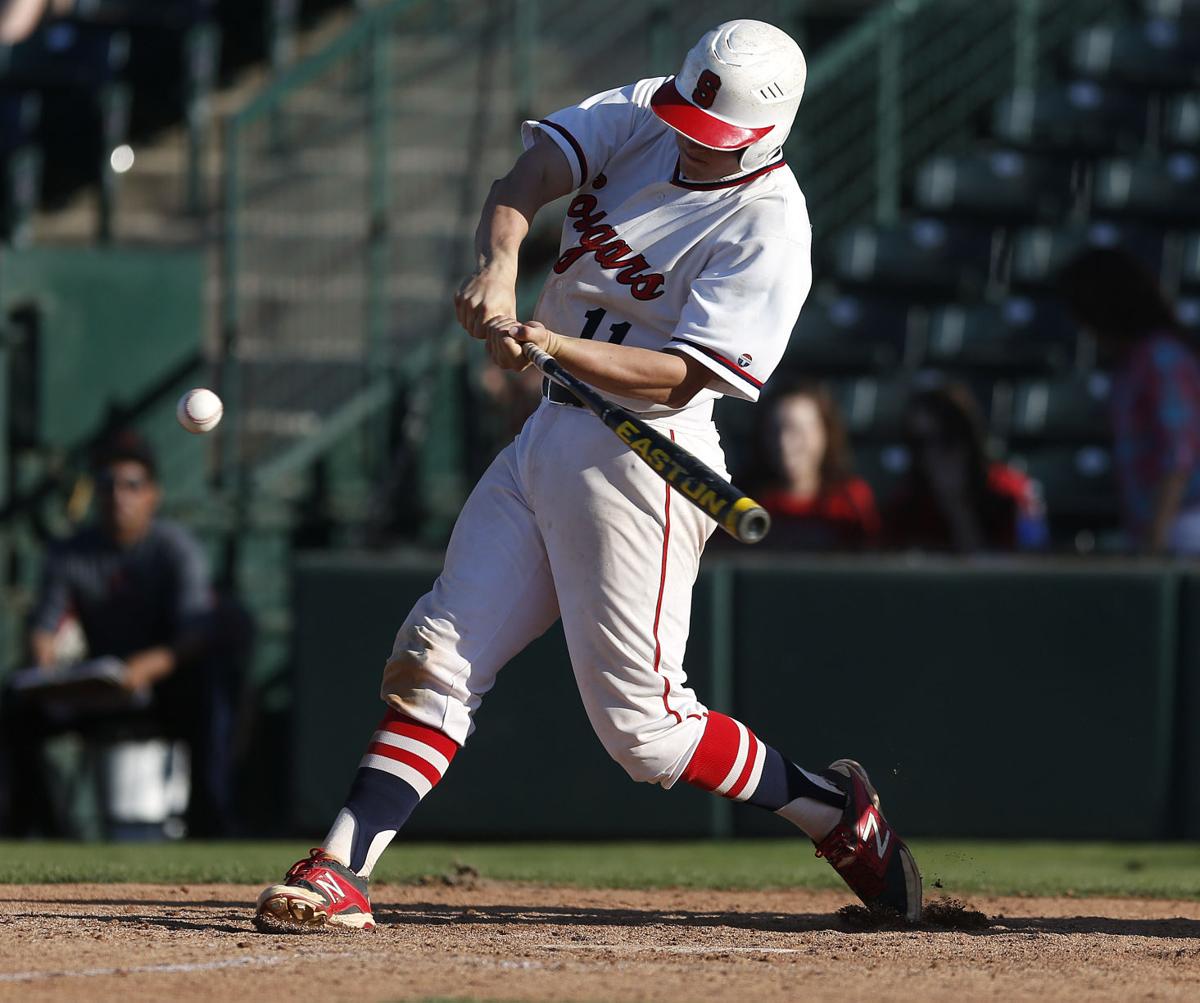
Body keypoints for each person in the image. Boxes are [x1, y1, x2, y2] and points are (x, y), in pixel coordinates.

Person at [256, 20, 921, 931]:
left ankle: (830, 811)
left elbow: (687, 373)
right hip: (550, 432)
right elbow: (526, 178)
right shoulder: (648, 110)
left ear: (769, 134)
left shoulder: (772, 221)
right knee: (436, 653)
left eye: (713, 133)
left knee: (644, 733)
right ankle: (341, 865)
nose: (690, 137)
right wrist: (499, 267)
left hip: (645, 456)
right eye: (689, 115)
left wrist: (557, 343)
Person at [0, 432, 238, 837]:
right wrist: (48, 672)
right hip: (97, 687)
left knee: (209, 689)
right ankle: (37, 831)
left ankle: (210, 823)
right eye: (107, 485)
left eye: (132, 485)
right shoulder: (70, 551)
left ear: (153, 495)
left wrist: (141, 670)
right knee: (15, 704)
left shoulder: (174, 547)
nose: (118, 496)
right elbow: (43, 628)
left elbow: (196, 632)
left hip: (162, 688)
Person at [1058, 248, 1200, 555]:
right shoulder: (1130, 363)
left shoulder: (1160, 356)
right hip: (1151, 527)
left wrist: (1156, 537)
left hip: (1182, 528)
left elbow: (1179, 452)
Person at [884, 385, 1046, 554]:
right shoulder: (905, 504)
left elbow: (1027, 566)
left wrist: (958, 508)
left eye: (945, 439)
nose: (932, 454)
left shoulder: (1011, 494)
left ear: (966, 438)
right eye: (919, 444)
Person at [744, 381, 879, 550]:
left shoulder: (851, 499)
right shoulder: (743, 501)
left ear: (826, 433)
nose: (784, 443)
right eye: (774, 430)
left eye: (798, 430)